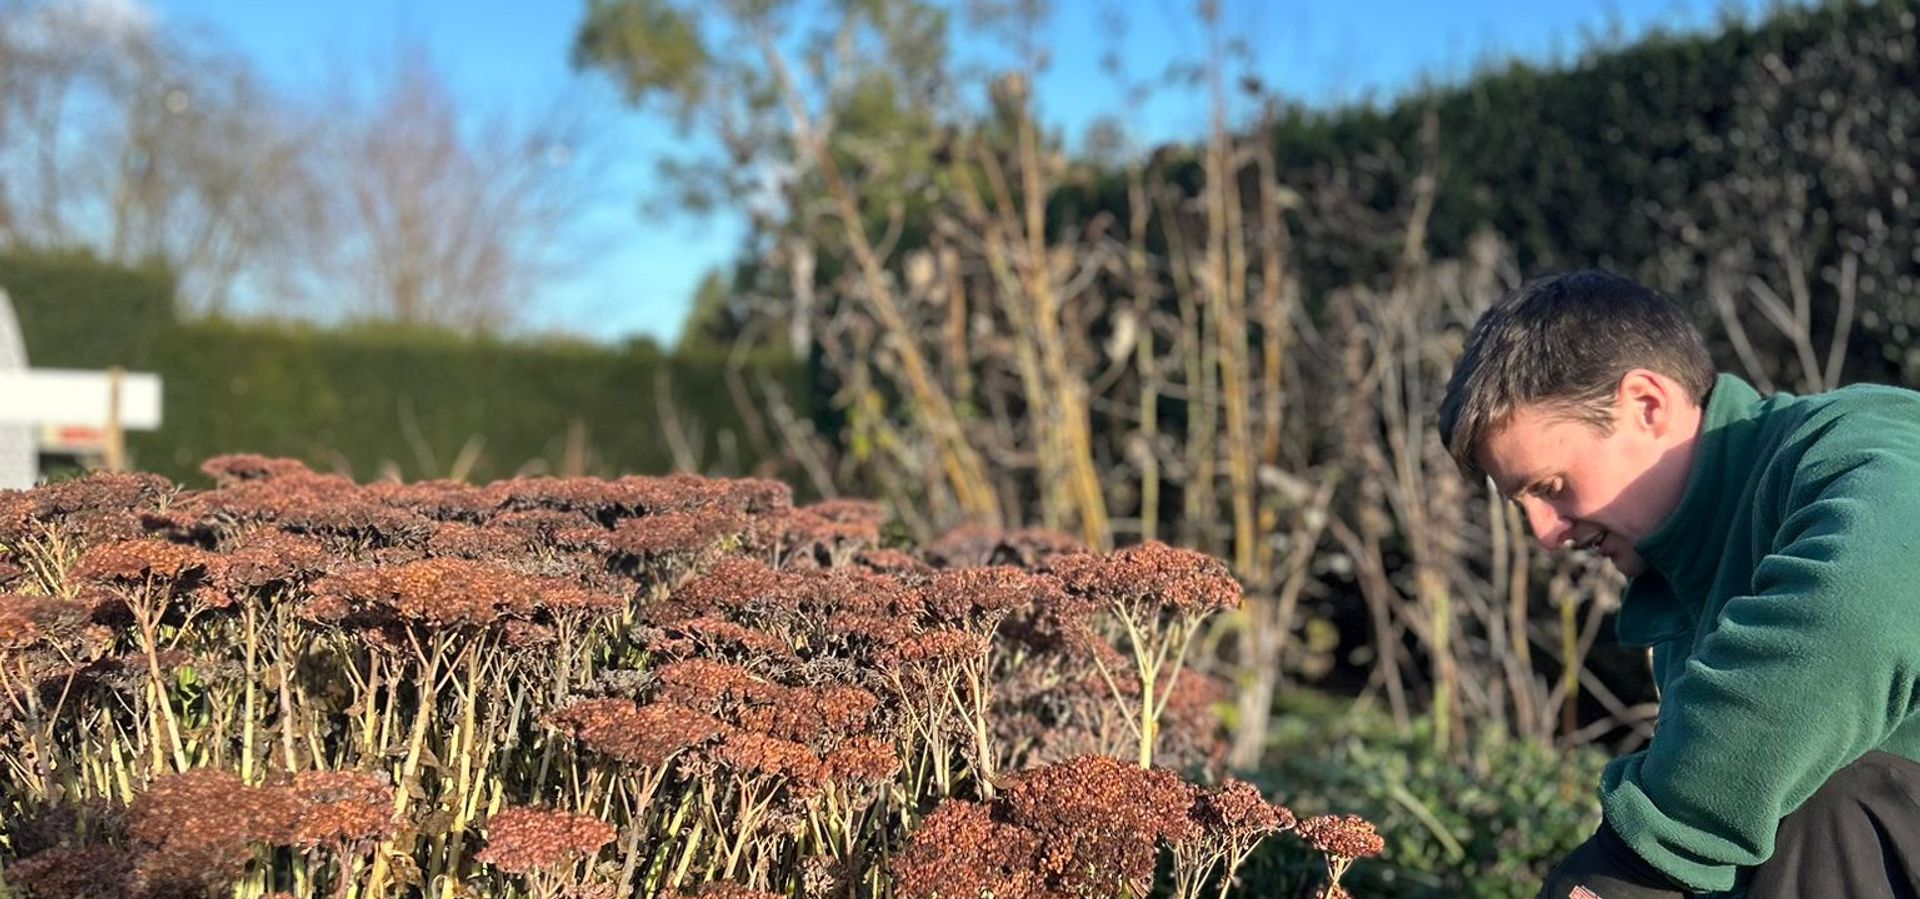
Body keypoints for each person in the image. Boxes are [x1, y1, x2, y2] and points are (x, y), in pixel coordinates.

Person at [1436, 269, 1920, 899]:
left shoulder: (1861, 441)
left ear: (1647, 405)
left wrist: (1637, 867)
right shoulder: (1686, 590)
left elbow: (1854, 620)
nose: (1544, 533)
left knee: (1821, 794)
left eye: (1549, 487)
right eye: (1520, 503)